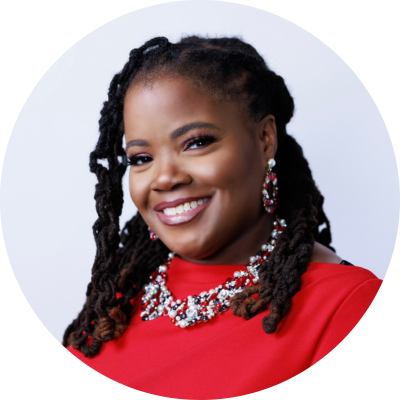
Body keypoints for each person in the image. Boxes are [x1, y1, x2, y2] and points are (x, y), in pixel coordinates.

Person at [64, 36, 382, 398]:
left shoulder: (347, 307)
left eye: (196, 142)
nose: (165, 177)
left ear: (265, 139)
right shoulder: (115, 303)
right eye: (141, 158)